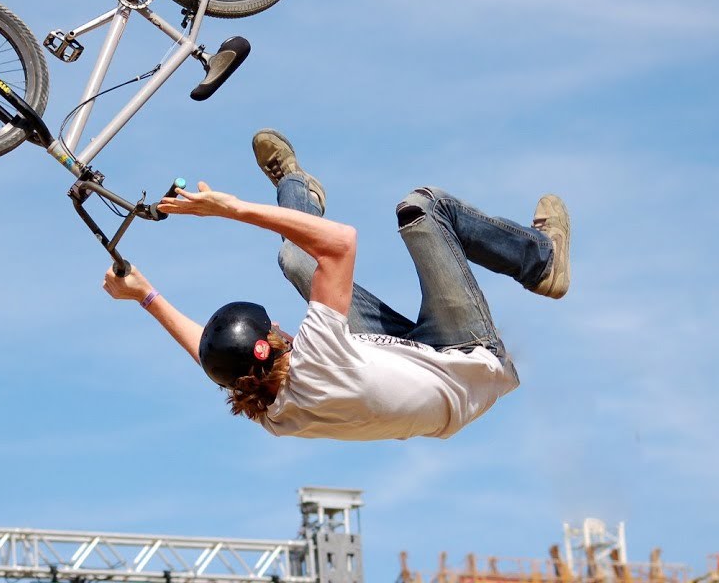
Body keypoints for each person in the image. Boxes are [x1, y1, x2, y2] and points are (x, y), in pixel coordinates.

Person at [101, 129, 570, 440]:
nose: (282, 325)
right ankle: (541, 260)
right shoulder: (316, 360)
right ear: (269, 347)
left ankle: (298, 186)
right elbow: (342, 243)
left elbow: (209, 354)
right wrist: (232, 209)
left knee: (295, 257)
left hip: (412, 363)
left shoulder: (272, 410)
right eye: (273, 329)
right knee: (423, 208)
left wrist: (146, 295)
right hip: (467, 360)